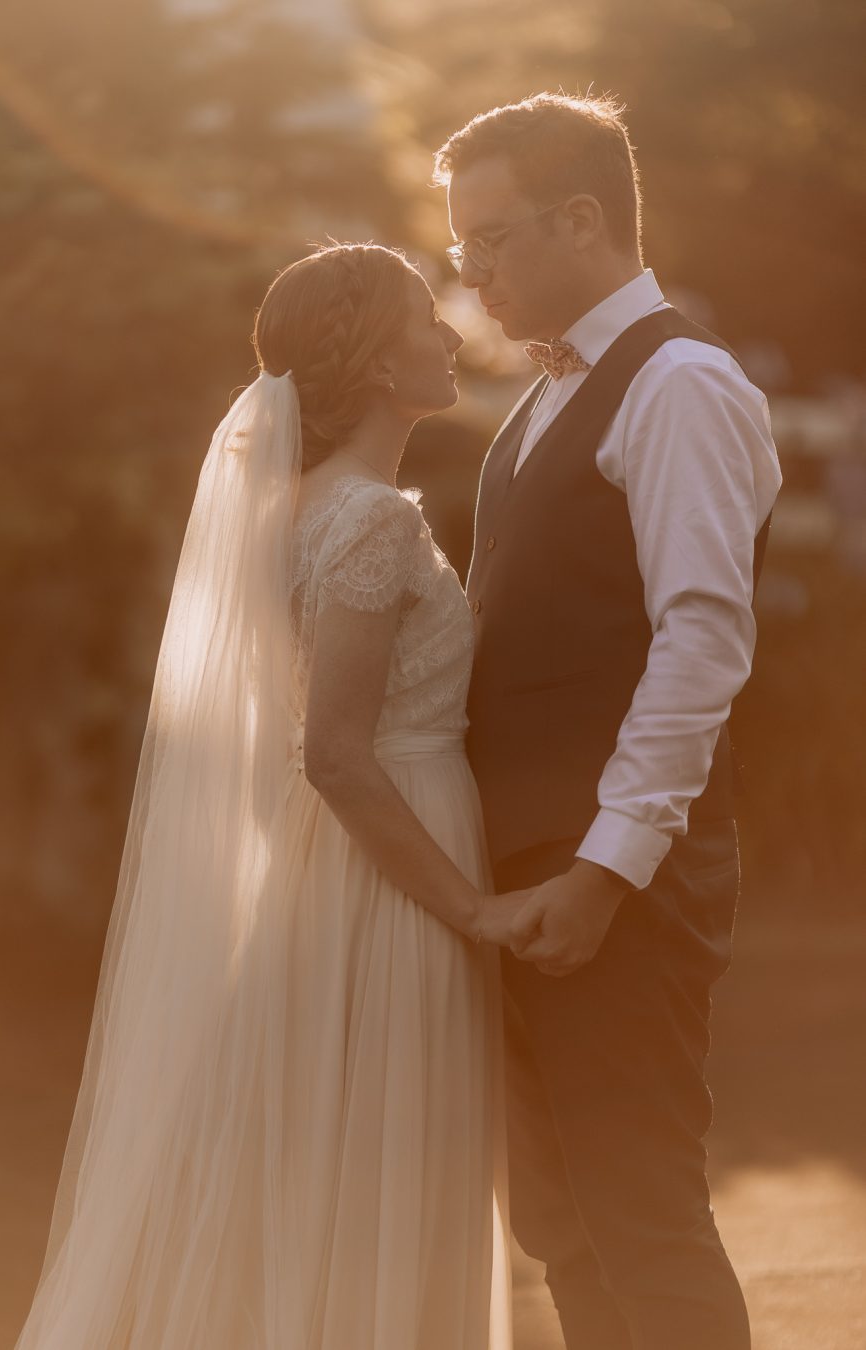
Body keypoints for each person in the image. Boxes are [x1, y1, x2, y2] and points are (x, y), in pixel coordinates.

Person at [13, 243, 520, 1350]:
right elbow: (335, 752)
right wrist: (471, 909)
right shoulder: (371, 520)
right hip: (396, 870)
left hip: (327, 865)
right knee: (391, 1184)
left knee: (330, 1193)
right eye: (428, 321)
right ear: (381, 363)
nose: (450, 335)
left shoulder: (293, 512)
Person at [434, 93, 782, 1350]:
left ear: (583, 218)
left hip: (611, 880)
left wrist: (603, 868)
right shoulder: (534, 407)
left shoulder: (681, 384)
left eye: (491, 237)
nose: (468, 273)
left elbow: (701, 644)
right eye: (458, 245)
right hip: (522, 874)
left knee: (640, 1218)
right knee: (564, 1229)